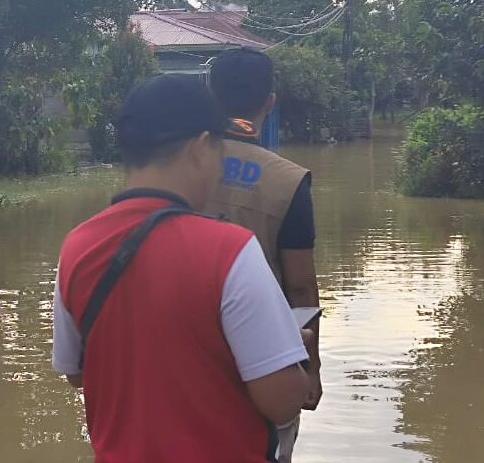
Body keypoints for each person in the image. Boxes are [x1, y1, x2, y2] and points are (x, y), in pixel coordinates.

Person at [52, 74, 311, 462]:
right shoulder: (231, 250)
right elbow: (282, 403)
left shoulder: (77, 247)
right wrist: (292, 353)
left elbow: (78, 374)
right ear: (201, 147)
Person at [205, 48, 322, 463]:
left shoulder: (176, 166)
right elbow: (301, 285)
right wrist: (311, 367)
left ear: (210, 95)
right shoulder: (288, 181)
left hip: (185, 350)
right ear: (270, 101)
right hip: (265, 357)